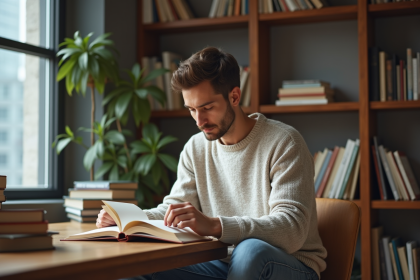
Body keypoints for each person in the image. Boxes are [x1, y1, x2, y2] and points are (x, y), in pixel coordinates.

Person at [96, 47, 327, 280]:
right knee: (136, 264)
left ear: (234, 96)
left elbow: (291, 230)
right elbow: (174, 212)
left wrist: (216, 226)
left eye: (207, 108)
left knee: (249, 251)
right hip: (222, 263)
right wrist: (127, 219)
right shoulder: (195, 148)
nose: (199, 120)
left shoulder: (284, 142)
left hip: (290, 264)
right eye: (192, 110)